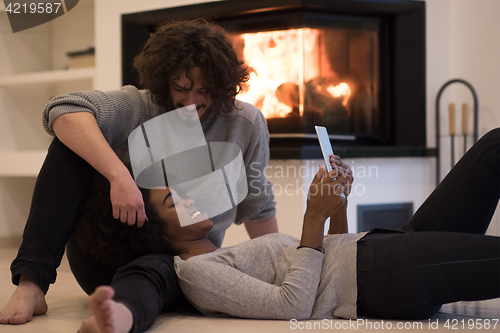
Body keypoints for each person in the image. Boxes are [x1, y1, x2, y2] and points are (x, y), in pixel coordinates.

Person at [0, 18, 278, 331]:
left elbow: (257, 204)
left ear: (223, 85)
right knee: (68, 144)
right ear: (164, 81)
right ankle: (31, 284)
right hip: (107, 257)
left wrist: (278, 265)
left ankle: (119, 316)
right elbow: (63, 110)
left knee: (157, 270)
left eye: (203, 91)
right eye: (181, 88)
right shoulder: (140, 105)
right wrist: (119, 176)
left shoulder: (246, 123)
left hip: (179, 261)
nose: (190, 101)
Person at [78, 128, 499, 333]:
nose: (189, 195)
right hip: (383, 279)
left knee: (493, 146)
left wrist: (336, 206)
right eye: (173, 201)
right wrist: (311, 218)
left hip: (382, 246)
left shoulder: (233, 251)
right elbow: (292, 304)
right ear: (157, 235)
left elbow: (330, 259)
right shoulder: (196, 273)